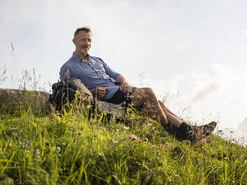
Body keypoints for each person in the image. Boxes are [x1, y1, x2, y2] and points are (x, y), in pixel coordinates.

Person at [59, 27, 217, 142]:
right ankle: (172, 128)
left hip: (121, 90)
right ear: (74, 41)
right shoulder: (68, 66)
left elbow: (115, 74)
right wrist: (92, 91)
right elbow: (68, 90)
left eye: (89, 40)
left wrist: (124, 82)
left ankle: (188, 132)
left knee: (158, 103)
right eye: (83, 40)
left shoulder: (97, 60)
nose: (86, 43)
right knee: (148, 92)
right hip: (109, 98)